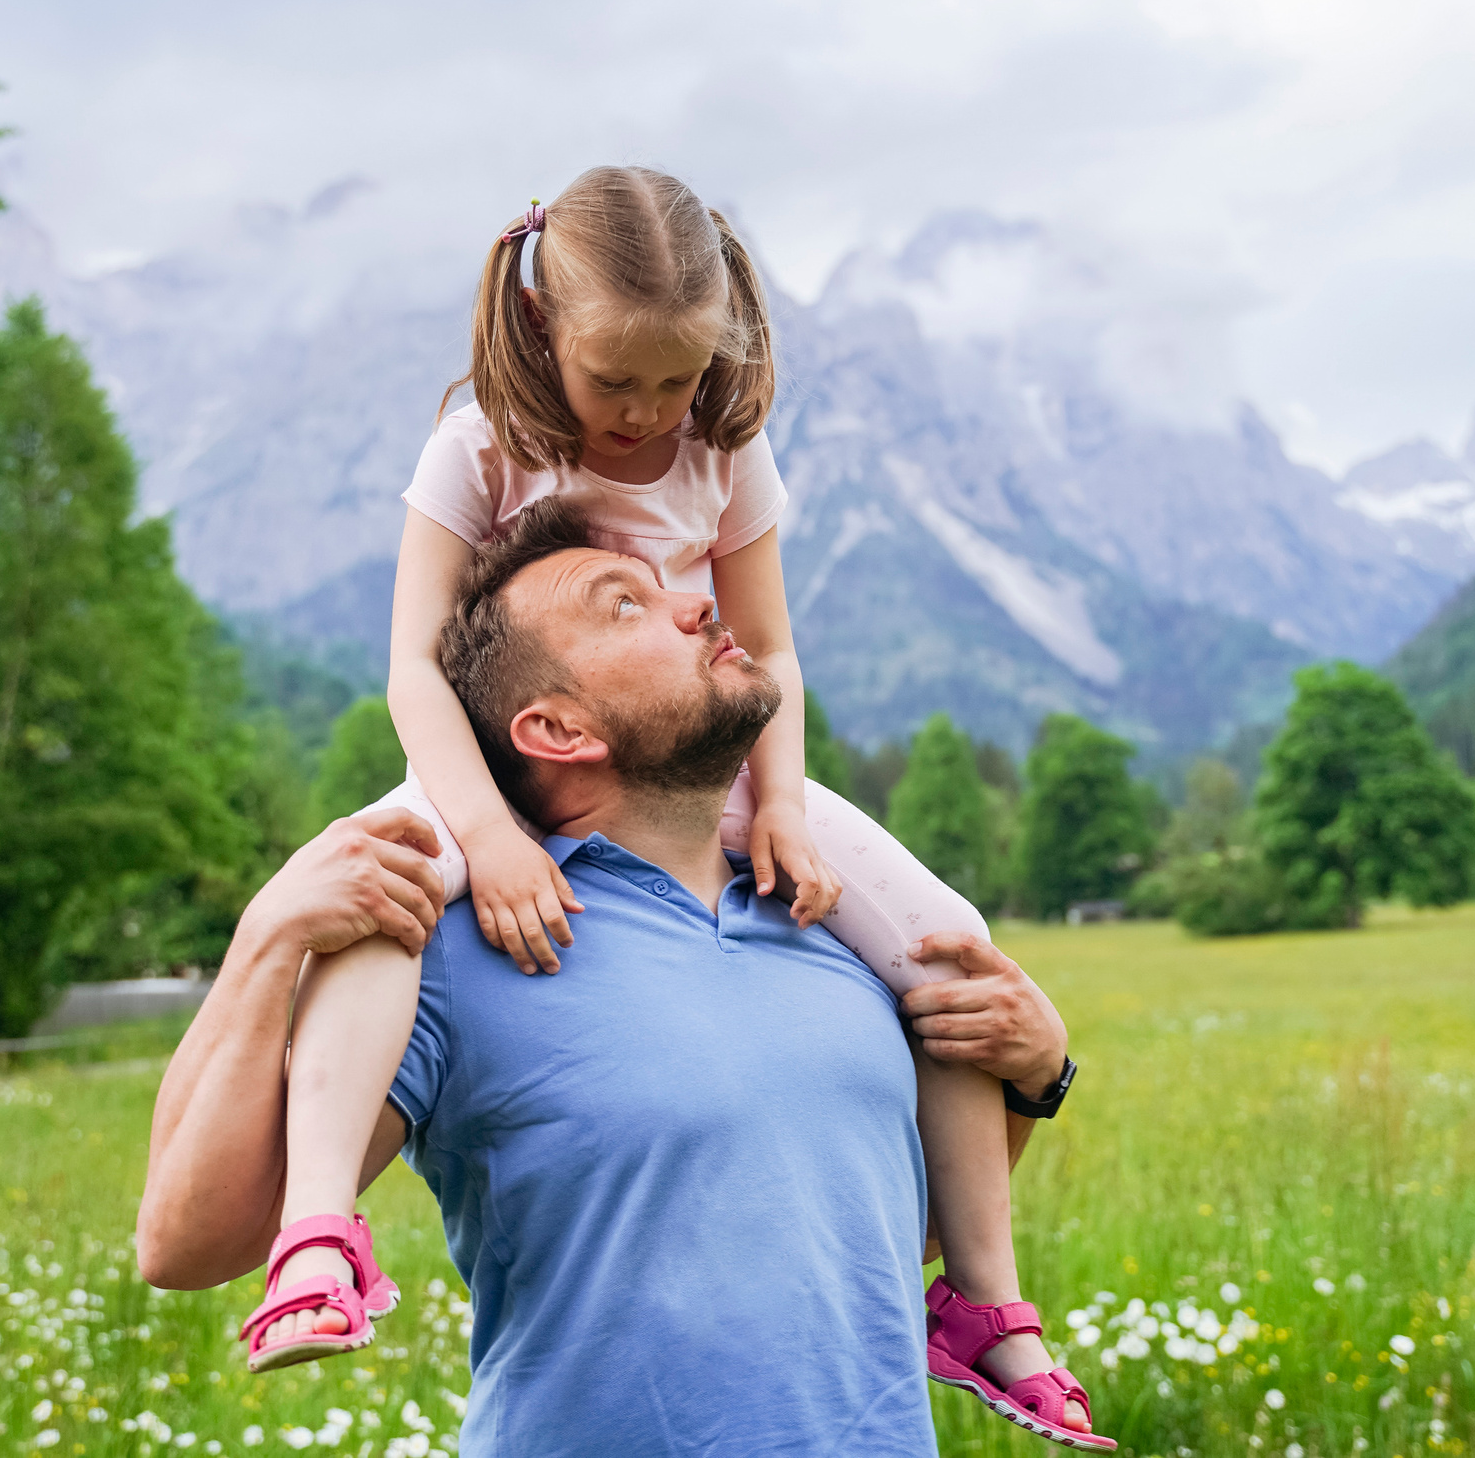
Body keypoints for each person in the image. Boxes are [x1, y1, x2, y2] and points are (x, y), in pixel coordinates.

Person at [255, 166, 1094, 1441]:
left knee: (946, 940)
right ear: (545, 333)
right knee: (386, 902)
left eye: (675, 380)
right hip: (499, 759)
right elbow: (415, 666)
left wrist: (788, 811)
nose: (647, 412)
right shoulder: (479, 440)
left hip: (691, 754)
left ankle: (986, 1299)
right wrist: (481, 836)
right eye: (615, 381)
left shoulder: (724, 445)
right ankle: (315, 1233)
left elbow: (770, 649)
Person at [137, 500, 1111, 1454]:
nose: (697, 603)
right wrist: (264, 943)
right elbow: (185, 1249)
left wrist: (1036, 1079)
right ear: (557, 730)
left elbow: (872, 1247)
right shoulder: (456, 949)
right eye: (623, 606)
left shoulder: (833, 920)